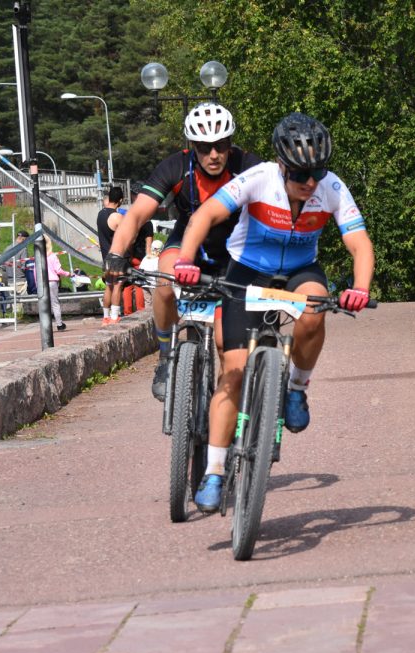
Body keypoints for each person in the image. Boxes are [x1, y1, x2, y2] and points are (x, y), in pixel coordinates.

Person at [172, 112, 374, 513]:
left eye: (317, 172)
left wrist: (360, 288)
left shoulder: (332, 187)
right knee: (233, 373)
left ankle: (297, 388)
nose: (310, 182)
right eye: (300, 174)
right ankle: (215, 471)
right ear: (282, 165)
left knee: (316, 307)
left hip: (300, 271)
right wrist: (185, 260)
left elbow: (359, 243)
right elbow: (205, 216)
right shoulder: (259, 178)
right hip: (248, 270)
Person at [104, 102, 262, 400]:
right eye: (204, 147)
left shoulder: (248, 166)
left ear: (230, 143)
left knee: (224, 344)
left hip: (234, 252)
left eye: (221, 145)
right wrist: (115, 255)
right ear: (192, 146)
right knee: (164, 281)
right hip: (188, 243)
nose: (213, 154)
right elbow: (136, 216)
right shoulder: (176, 167)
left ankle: (222, 409)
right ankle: (166, 355)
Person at [96, 187, 126, 324]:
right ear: (120, 200)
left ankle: (106, 317)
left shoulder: (100, 214)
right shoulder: (117, 217)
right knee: (117, 285)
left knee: (108, 285)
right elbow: (129, 235)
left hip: (106, 256)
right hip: (116, 255)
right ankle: (114, 317)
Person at [45, 235, 72, 331]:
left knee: (44, 304)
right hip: (52, 281)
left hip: (42, 283)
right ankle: (59, 324)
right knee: (55, 303)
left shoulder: (38, 257)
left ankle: (46, 325)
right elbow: (58, 270)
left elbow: (35, 272)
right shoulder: (52, 256)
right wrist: (68, 274)